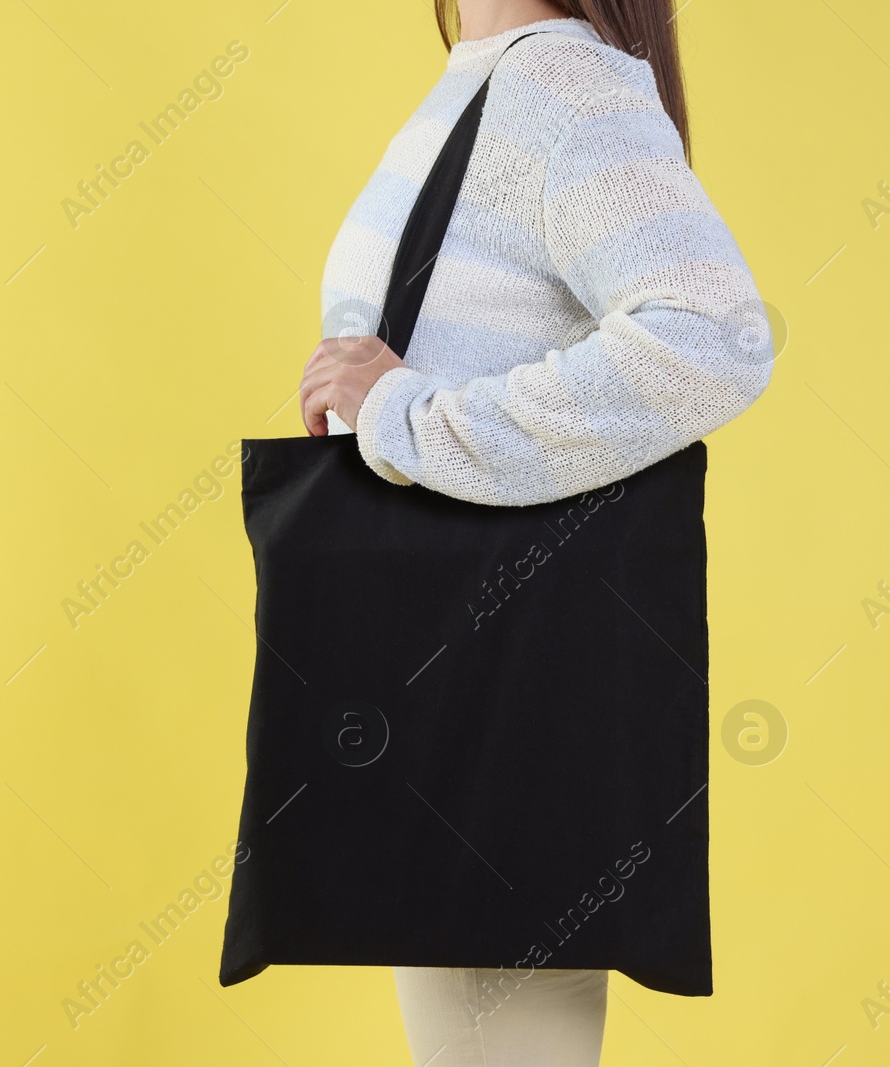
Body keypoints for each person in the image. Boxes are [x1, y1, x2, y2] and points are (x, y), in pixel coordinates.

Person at [296, 1, 772, 1063]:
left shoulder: (562, 87)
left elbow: (713, 337)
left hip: (496, 681)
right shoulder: (481, 78)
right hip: (435, 673)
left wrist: (413, 416)